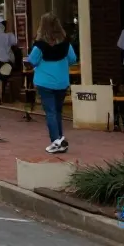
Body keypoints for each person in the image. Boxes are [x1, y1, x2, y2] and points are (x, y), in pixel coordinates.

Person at [28, 12, 77, 154]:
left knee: (50, 112)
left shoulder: (40, 45)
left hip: (44, 82)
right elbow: (73, 59)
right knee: (58, 111)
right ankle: (60, 138)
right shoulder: (65, 44)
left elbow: (32, 60)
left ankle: (56, 141)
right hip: (61, 82)